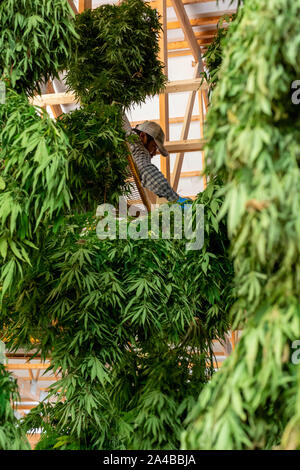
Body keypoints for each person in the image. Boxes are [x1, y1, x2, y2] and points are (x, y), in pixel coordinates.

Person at [122, 113, 192, 205]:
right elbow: (146, 171)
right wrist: (174, 199)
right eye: (154, 147)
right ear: (143, 136)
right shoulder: (138, 146)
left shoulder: (126, 137)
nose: (154, 153)